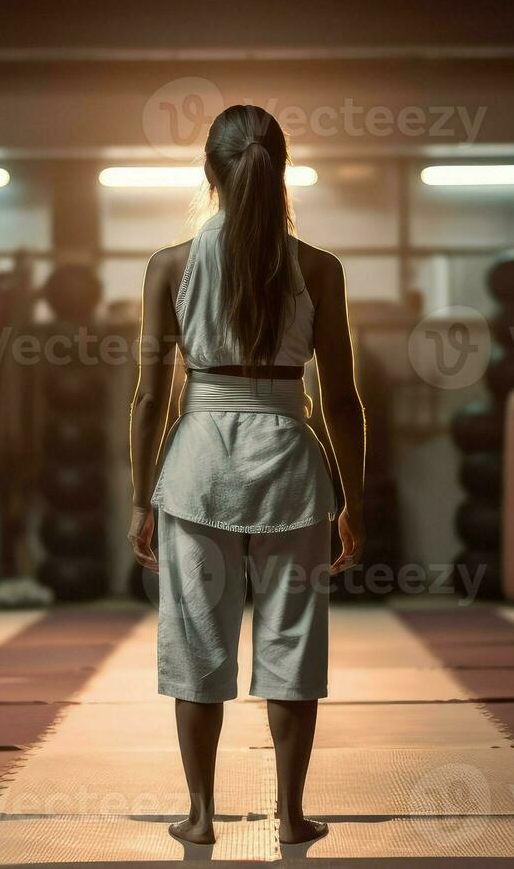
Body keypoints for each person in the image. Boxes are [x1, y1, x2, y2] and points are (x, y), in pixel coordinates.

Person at [127, 103, 366, 847]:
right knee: (292, 643)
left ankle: (200, 817)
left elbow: (149, 398)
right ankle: (290, 817)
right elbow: (343, 401)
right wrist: (351, 501)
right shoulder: (321, 268)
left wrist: (141, 500)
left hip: (196, 466)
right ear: (281, 168)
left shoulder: (168, 265)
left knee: (197, 643)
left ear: (210, 171)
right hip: (292, 466)